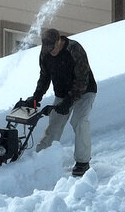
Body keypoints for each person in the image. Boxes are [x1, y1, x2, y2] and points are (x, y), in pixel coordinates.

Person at [23, 28, 97, 177]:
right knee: (55, 124)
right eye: (47, 49)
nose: (51, 52)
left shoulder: (74, 49)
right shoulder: (45, 53)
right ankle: (41, 157)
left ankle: (83, 162)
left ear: (59, 41)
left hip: (84, 91)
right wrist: (36, 97)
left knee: (79, 121)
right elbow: (44, 77)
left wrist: (69, 102)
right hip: (62, 93)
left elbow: (82, 80)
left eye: (53, 48)